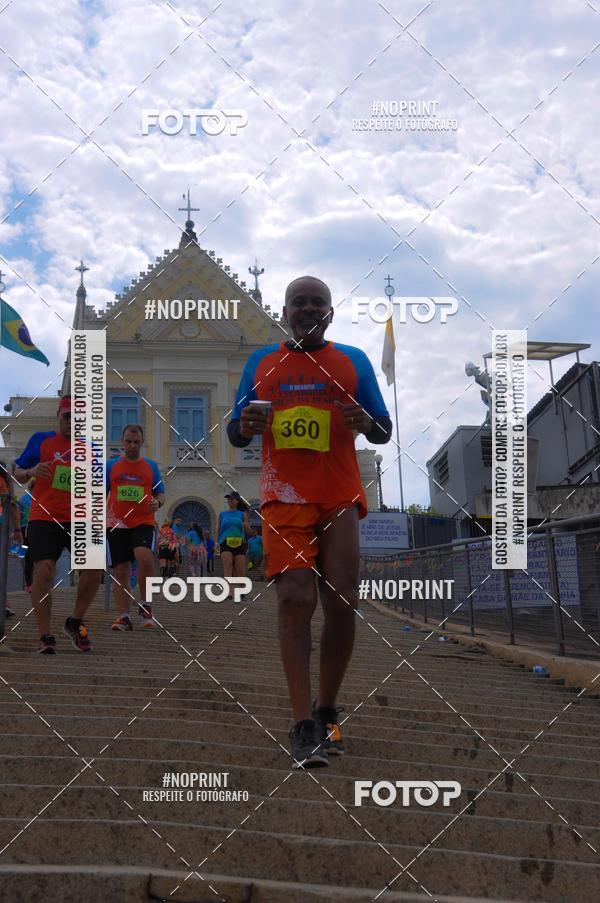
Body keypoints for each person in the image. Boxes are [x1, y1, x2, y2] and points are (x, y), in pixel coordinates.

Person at [227, 275, 392, 767]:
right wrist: (245, 426)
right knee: (296, 596)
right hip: (284, 496)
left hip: (339, 494)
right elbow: (237, 429)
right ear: (284, 311)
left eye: (317, 301)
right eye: (298, 301)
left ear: (330, 312)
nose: (307, 308)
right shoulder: (262, 362)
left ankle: (327, 710)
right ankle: (301, 724)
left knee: (341, 599)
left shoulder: (354, 360)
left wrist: (366, 422)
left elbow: (382, 429)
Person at [13, 396, 103, 653]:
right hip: (44, 516)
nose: (71, 423)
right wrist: (30, 472)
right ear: (58, 415)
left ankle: (75, 622)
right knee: (44, 571)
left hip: (80, 517)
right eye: (67, 417)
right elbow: (16, 473)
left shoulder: (90, 448)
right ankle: (45, 635)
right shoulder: (41, 440)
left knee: (94, 569)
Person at [106, 423, 165, 630]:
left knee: (145, 557)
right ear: (122, 442)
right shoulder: (110, 466)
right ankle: (123, 616)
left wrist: (157, 503)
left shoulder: (151, 466)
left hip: (143, 521)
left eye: (136, 442)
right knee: (120, 569)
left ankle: (146, 604)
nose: (132, 446)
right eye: (128, 442)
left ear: (142, 443)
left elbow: (161, 493)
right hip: (116, 523)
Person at [216, 491, 251, 601]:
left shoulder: (242, 514)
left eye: (232, 499)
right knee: (228, 567)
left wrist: (246, 525)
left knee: (240, 569)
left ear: (237, 500)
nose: (229, 501)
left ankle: (242, 593)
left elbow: (248, 530)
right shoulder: (222, 514)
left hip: (239, 542)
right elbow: (218, 529)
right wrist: (216, 543)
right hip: (225, 542)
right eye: (228, 499)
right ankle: (228, 593)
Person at [1, 460, 23, 619]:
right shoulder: (4, 474)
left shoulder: (4, 474)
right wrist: (17, 529)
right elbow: (13, 504)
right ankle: (4, 603)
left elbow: (13, 504)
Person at [17, 477, 35, 592]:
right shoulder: (24, 499)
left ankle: (31, 585)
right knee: (32, 558)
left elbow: (18, 517)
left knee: (30, 559)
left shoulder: (23, 499)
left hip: (29, 531)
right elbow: (18, 516)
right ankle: (32, 585)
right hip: (30, 530)